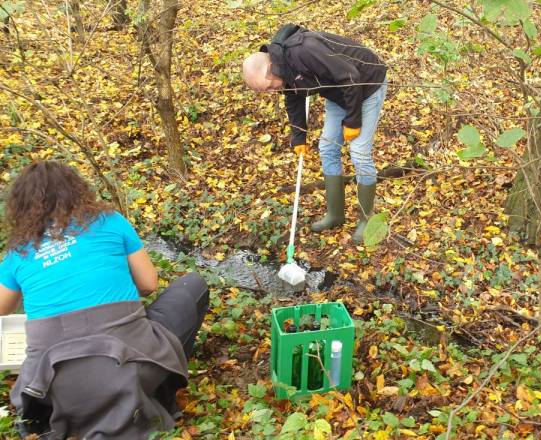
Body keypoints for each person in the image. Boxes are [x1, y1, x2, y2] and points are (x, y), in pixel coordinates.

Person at [0, 161, 210, 439]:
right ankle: (161, 387)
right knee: (192, 286)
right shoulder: (110, 222)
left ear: (22, 207)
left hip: (51, 390)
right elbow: (148, 284)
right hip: (128, 366)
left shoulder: (18, 253)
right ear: (77, 191)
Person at [242, 24, 388, 244]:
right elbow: (293, 97)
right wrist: (299, 136)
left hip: (366, 84)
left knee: (358, 152)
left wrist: (352, 121)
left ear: (270, 67)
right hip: (338, 91)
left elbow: (350, 76)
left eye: (270, 87)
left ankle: (366, 220)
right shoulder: (282, 68)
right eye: (267, 91)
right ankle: (335, 214)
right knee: (327, 147)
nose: (273, 92)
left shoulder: (306, 50)